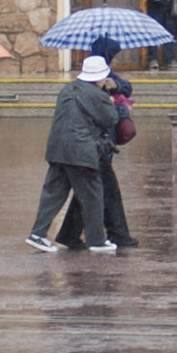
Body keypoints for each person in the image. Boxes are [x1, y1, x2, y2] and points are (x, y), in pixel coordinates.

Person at [28, 46, 122, 253]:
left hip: (57, 148)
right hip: (80, 152)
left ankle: (37, 234)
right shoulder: (96, 95)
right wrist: (111, 102)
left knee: (53, 193)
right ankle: (97, 240)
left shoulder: (68, 89)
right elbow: (111, 119)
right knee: (93, 194)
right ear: (100, 77)